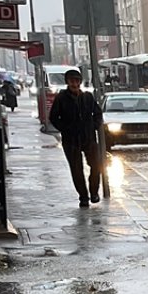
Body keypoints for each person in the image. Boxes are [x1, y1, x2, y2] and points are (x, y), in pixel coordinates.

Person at [47, 67, 104, 208]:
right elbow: (53, 117)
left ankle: (94, 193)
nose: (75, 84)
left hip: (89, 138)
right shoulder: (61, 98)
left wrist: (94, 126)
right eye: (72, 81)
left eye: (77, 81)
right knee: (76, 169)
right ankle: (83, 197)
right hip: (71, 140)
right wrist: (65, 129)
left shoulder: (87, 97)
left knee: (96, 166)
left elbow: (97, 113)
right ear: (67, 82)